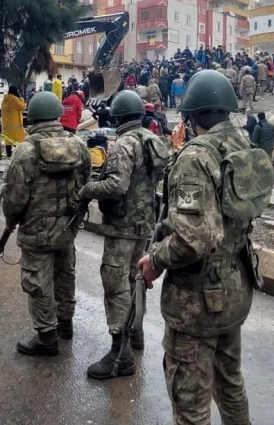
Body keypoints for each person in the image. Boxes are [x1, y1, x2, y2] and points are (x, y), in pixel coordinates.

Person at [136, 69, 273, 425]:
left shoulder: (196, 158)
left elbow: (193, 238)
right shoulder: (242, 145)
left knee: (190, 400)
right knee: (229, 382)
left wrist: (156, 260)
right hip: (235, 288)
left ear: (192, 115)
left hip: (197, 303)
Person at [80, 91, 169, 380]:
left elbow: (116, 186)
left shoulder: (124, 144)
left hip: (122, 226)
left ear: (117, 117)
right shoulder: (152, 140)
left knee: (115, 283)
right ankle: (136, 333)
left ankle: (121, 354)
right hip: (145, 224)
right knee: (135, 281)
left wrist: (88, 189)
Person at [2, 91, 90, 356]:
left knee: (38, 281)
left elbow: (14, 197)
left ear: (34, 117)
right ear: (57, 115)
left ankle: (47, 337)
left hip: (36, 231)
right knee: (65, 276)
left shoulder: (25, 151)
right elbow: (87, 184)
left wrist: (11, 219)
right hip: (68, 228)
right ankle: (65, 325)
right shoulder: (79, 145)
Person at [1, 86, 27, 158]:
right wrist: (21, 99)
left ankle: (9, 155)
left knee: (8, 141)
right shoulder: (14, 99)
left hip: (7, 124)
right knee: (17, 140)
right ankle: (18, 155)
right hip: (15, 124)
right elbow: (22, 107)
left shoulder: (5, 100)